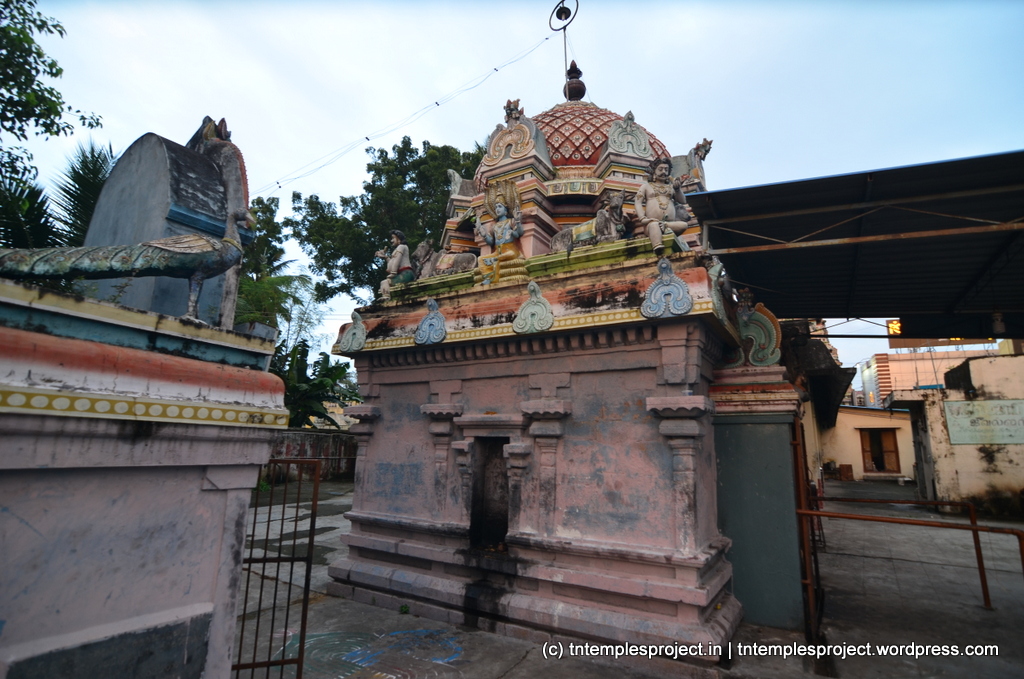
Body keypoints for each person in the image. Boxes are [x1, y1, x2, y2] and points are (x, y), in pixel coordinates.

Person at [633, 157, 694, 255]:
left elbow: (682, 201)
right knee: (654, 225)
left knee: (684, 225)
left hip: (670, 224)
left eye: (666, 170)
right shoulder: (646, 187)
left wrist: (677, 189)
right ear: (654, 171)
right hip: (652, 223)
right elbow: (638, 202)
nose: (663, 172)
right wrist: (642, 218)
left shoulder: (671, 187)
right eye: (660, 169)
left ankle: (665, 226)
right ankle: (658, 246)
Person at [475, 183, 528, 285]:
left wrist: (517, 223)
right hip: (497, 252)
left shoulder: (510, 222)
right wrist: (483, 234)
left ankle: (494, 260)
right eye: (496, 207)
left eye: (500, 206)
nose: (497, 209)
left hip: (510, 250)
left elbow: (519, 233)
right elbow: (491, 242)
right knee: (480, 259)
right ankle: (489, 277)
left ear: (506, 210)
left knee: (510, 254)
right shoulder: (495, 226)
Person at [375, 230, 414, 300]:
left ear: (398, 238)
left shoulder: (401, 247)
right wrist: (385, 257)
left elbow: (397, 261)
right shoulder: (399, 248)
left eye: (393, 238)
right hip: (405, 273)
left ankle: (386, 297)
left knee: (384, 282)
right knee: (385, 283)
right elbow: (392, 263)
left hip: (406, 273)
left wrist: (393, 273)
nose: (391, 240)